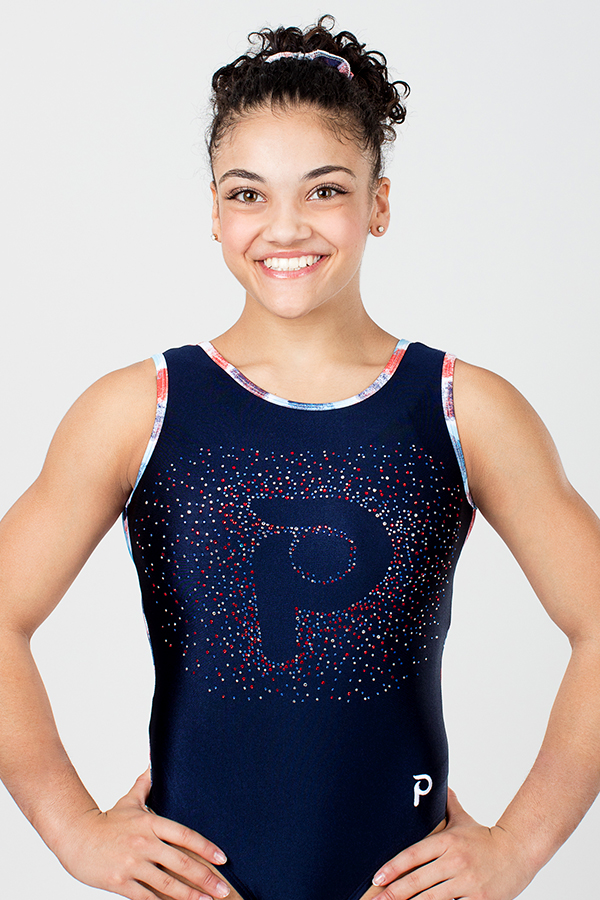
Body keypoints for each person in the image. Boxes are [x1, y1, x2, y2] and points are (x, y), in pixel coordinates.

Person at [0, 13, 599, 900]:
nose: (284, 228)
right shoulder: (139, 409)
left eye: (323, 190)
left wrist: (518, 846)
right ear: (213, 213)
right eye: (248, 194)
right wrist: (72, 829)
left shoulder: (463, 409)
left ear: (378, 203)